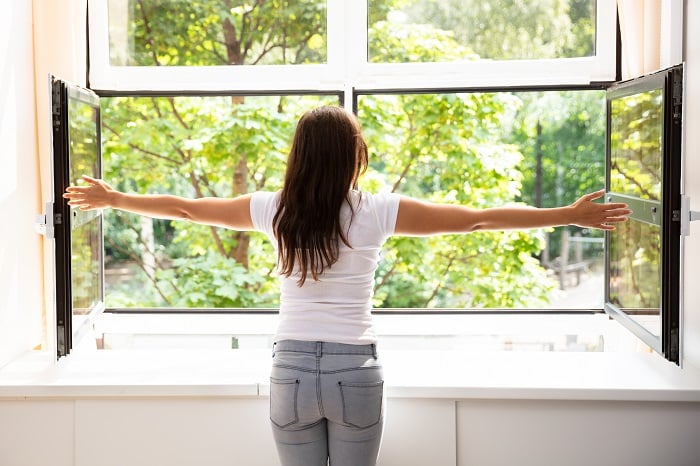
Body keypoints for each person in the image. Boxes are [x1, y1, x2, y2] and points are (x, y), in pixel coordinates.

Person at [64, 105, 631, 466]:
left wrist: (115, 199)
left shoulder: (273, 208)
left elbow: (186, 211)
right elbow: (477, 217)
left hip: (289, 371)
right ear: (354, 156)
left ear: (298, 156)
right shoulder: (377, 211)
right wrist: (565, 214)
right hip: (354, 372)